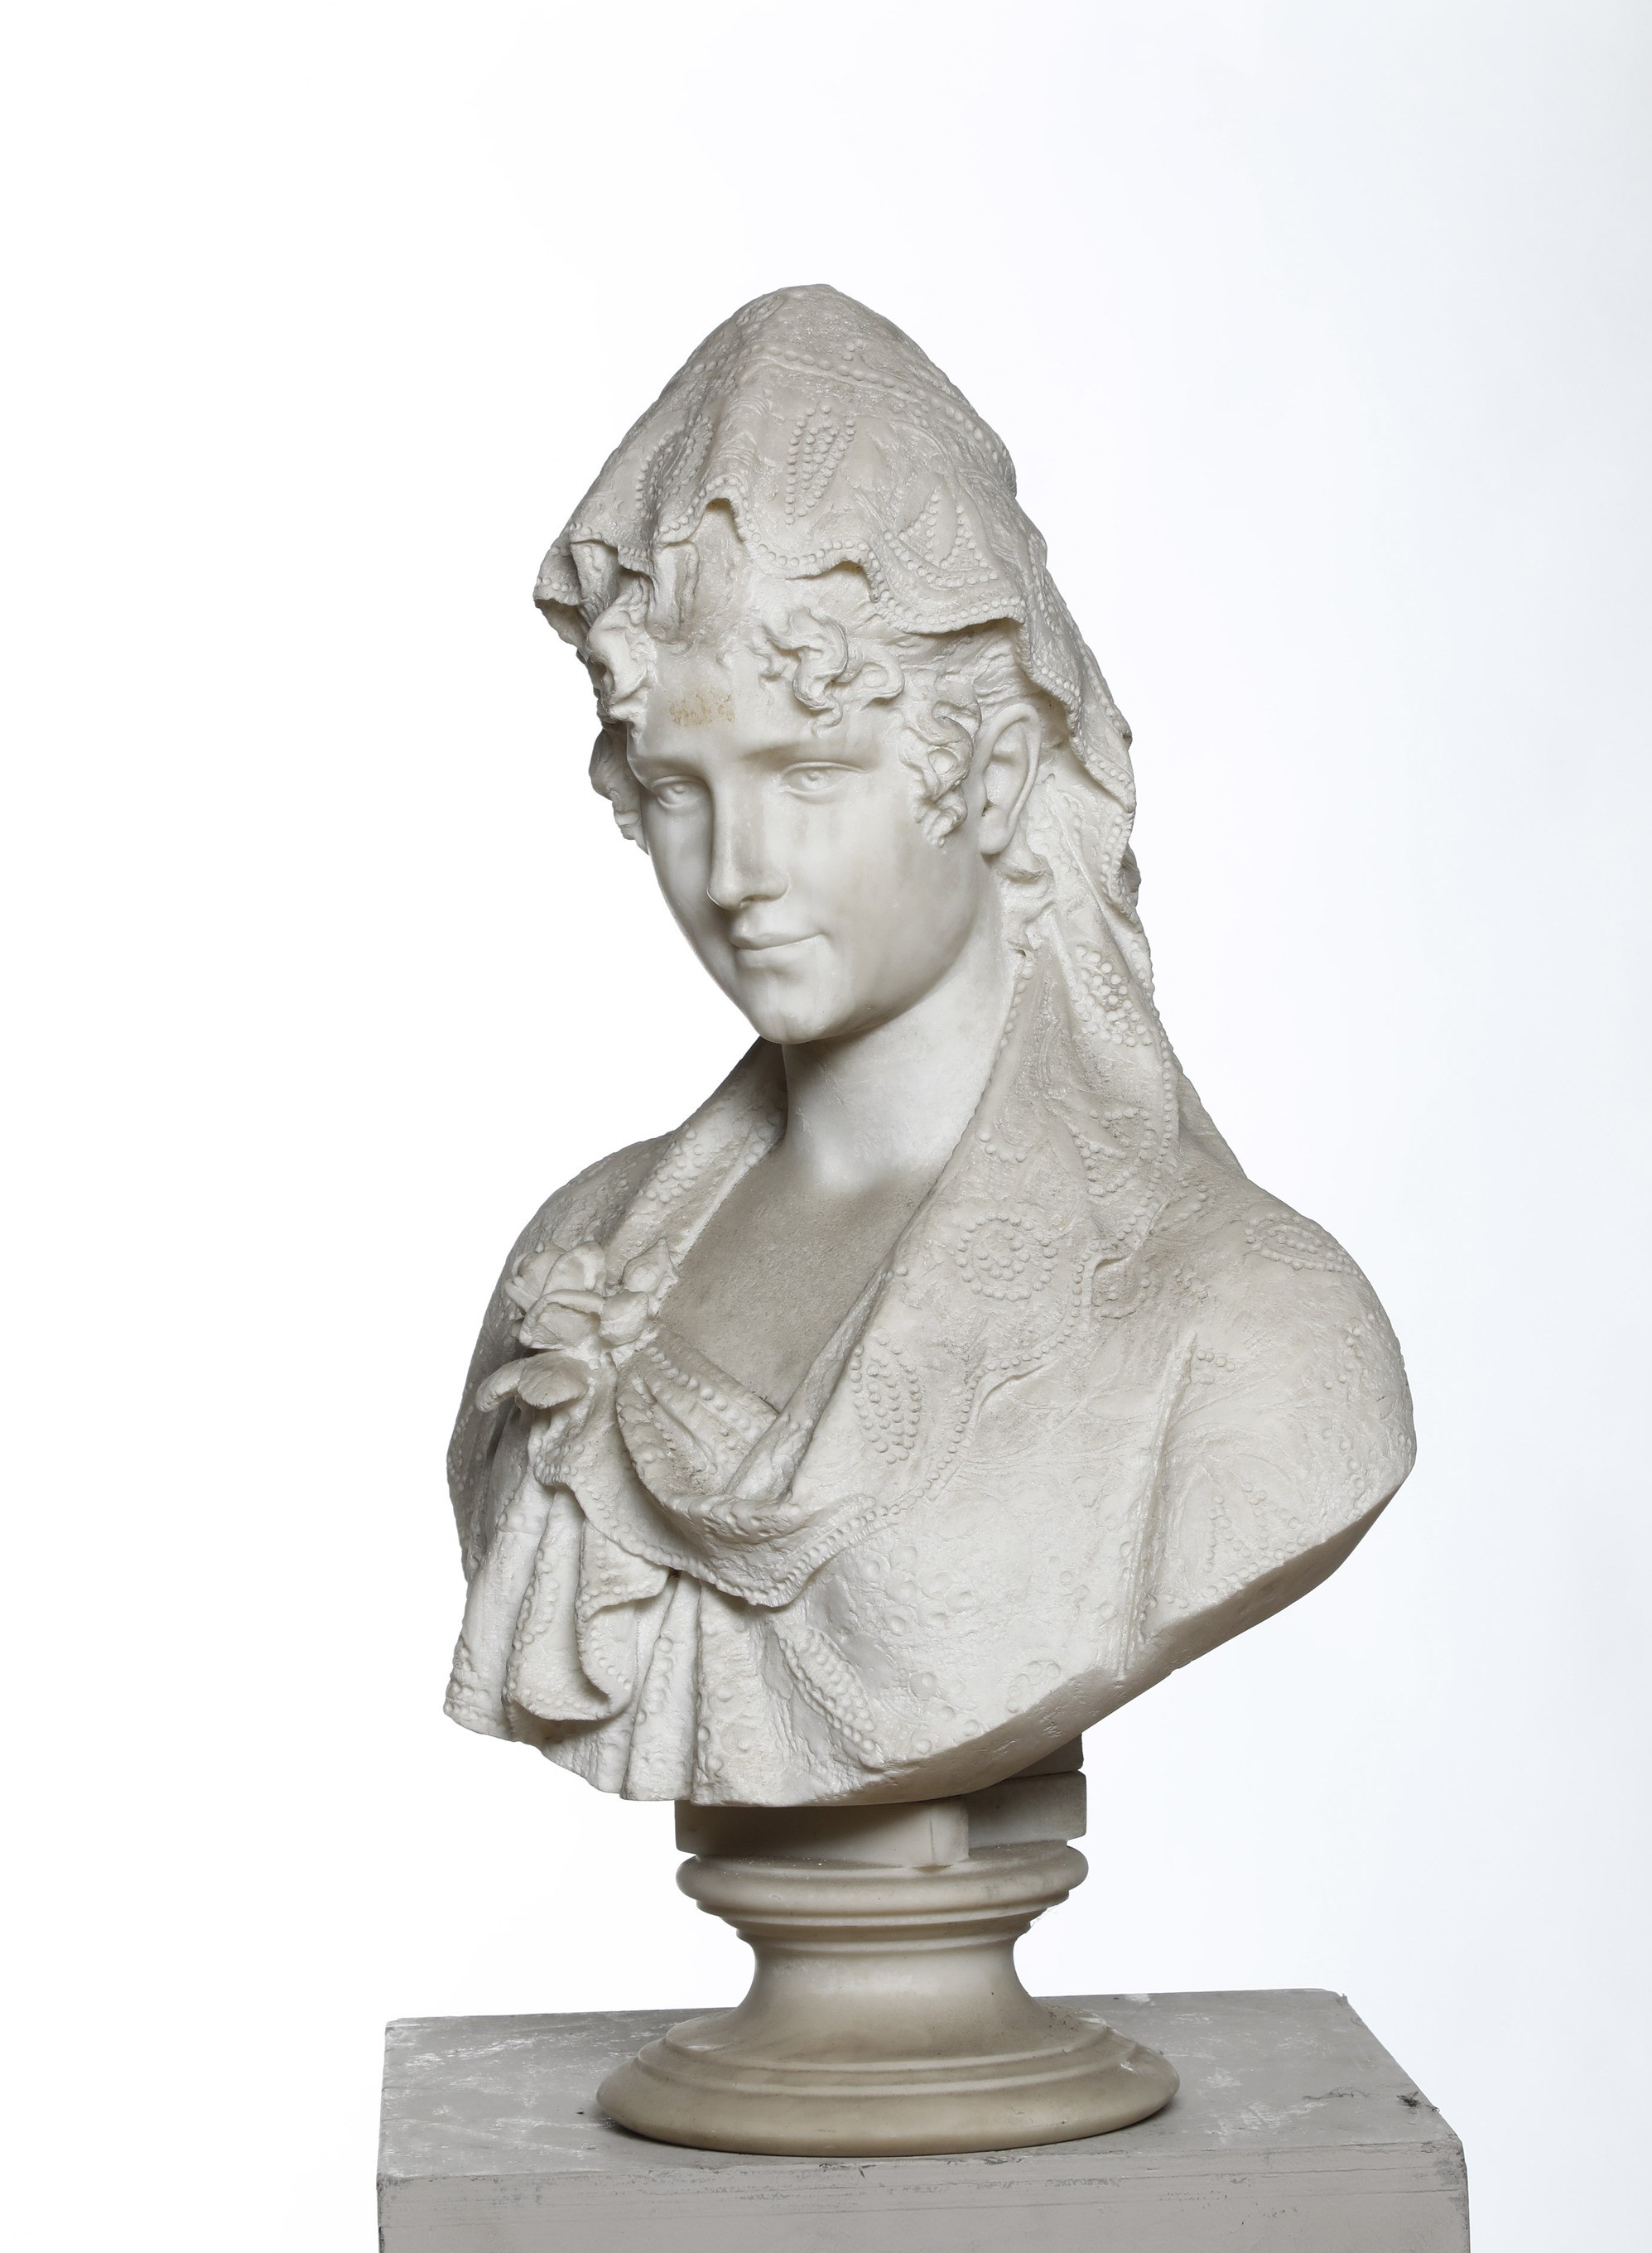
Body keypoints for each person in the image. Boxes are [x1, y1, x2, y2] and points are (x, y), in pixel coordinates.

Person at [445, 286, 1414, 1807]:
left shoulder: (1248, 1327)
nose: (738, 872)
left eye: (808, 774)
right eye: (681, 788)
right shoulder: (578, 1251)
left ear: (996, 769)